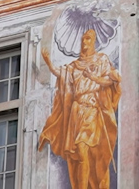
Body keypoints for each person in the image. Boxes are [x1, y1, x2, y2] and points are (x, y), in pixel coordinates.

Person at [40, 30, 122, 189]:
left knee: (83, 148)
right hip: (76, 112)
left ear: (94, 41)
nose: (85, 42)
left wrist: (93, 78)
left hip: (92, 109)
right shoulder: (74, 66)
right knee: (78, 152)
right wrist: (48, 62)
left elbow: (110, 81)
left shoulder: (101, 60)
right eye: (83, 39)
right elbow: (60, 74)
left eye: (88, 39)